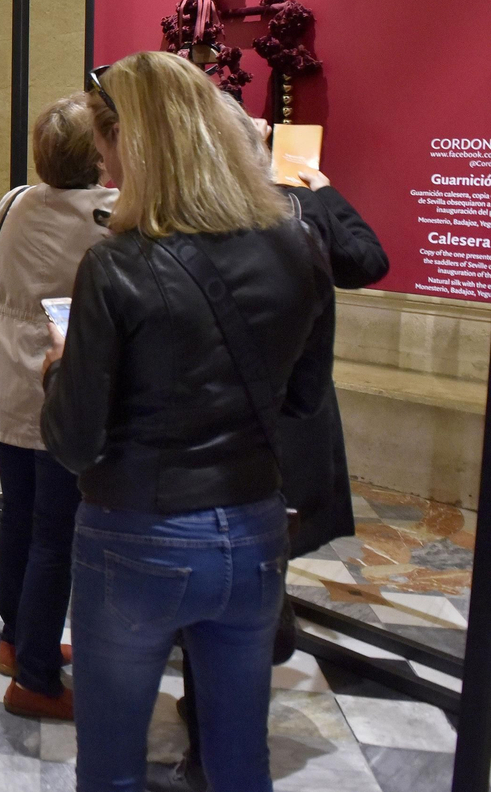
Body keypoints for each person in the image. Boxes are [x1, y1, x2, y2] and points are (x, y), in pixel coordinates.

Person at [41, 51, 332, 792]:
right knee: (239, 762)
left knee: (111, 766)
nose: (103, 165)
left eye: (107, 145)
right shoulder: (299, 244)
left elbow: (74, 442)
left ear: (136, 142)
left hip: (138, 534)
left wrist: (59, 369)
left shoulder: (119, 265)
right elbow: (303, 401)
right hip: (254, 530)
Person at [150, 114, 389, 792]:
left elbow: (367, 264)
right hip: (274, 422)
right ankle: (220, 729)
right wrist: (317, 190)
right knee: (246, 580)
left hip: (245, 427)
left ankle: (215, 727)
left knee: (238, 583)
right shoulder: (290, 215)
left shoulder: (230, 220)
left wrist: (313, 189)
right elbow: (366, 260)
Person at [0, 94, 114, 721]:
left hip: (3, 372)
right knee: (56, 530)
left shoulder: (14, 201)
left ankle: (16, 639)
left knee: (18, 514)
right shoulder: (111, 212)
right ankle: (38, 677)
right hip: (61, 377)